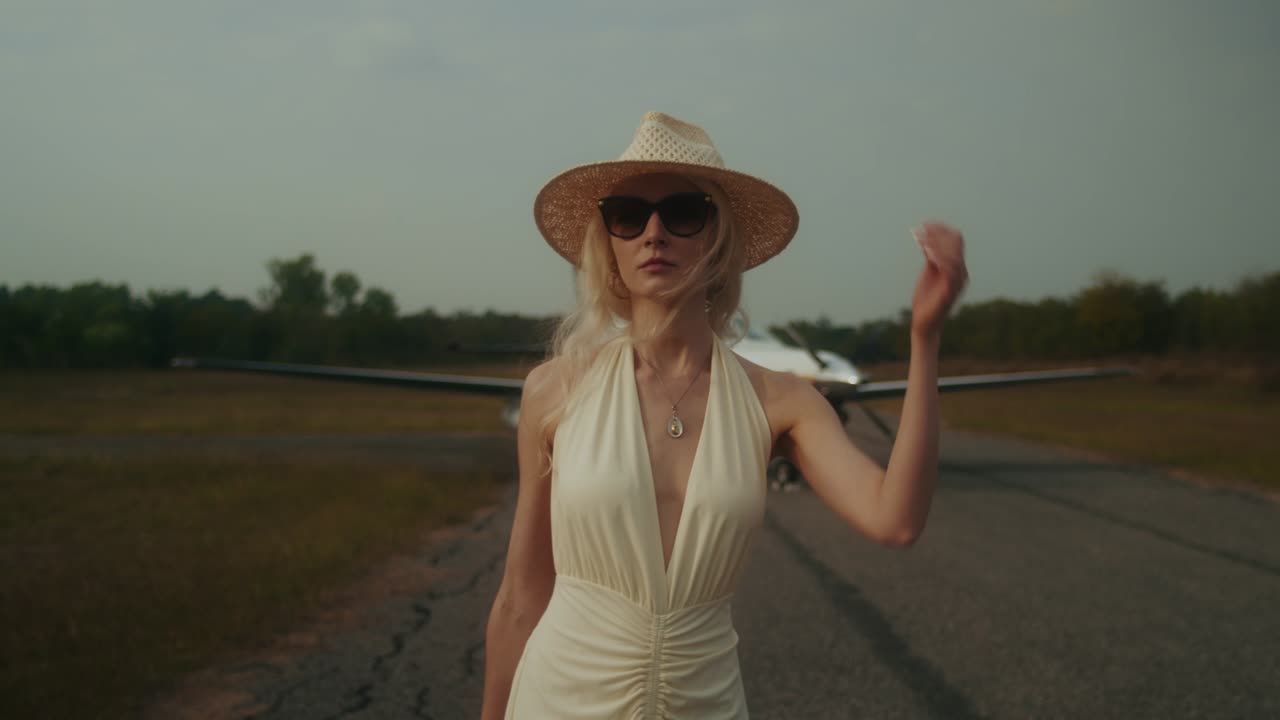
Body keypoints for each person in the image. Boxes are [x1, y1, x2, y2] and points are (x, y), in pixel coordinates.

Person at [480, 111, 967, 719]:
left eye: (683, 211)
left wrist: (925, 340)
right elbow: (522, 596)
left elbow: (894, 519)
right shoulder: (555, 390)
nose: (654, 233)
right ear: (608, 243)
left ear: (717, 237)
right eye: (629, 215)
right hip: (561, 698)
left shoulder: (781, 401)